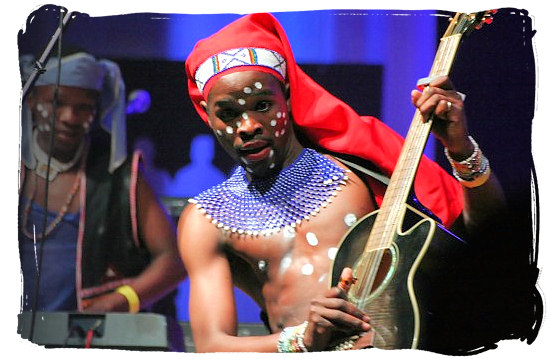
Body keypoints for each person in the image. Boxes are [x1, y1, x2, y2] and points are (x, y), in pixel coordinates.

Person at [178, 13, 506, 353]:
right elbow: (211, 346)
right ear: (207, 115)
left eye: (262, 105)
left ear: (287, 96)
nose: (247, 126)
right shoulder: (206, 220)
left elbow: (488, 237)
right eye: (229, 113)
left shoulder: (360, 167)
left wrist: (461, 148)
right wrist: (301, 339)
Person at [18, 49, 187, 347]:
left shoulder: (118, 176)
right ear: (32, 99)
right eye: (57, 102)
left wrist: (123, 300)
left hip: (87, 340)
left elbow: (173, 260)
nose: (71, 117)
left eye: (85, 107)